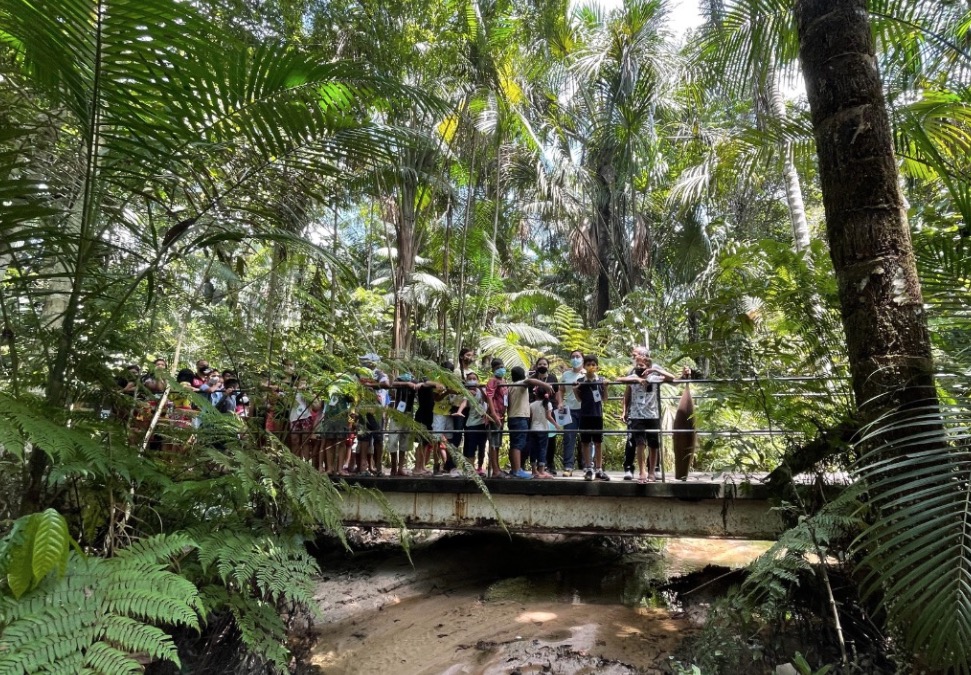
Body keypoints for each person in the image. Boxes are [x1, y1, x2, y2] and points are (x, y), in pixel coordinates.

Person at [620, 347, 676, 482]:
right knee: (637, 442)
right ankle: (640, 471)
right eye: (636, 360)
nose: (638, 363)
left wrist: (654, 370)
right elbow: (624, 385)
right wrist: (624, 409)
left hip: (652, 413)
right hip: (636, 414)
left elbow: (672, 378)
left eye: (638, 357)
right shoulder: (633, 373)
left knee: (653, 443)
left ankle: (653, 470)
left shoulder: (654, 373)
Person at [506, 366, 554, 479]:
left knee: (514, 444)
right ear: (523, 375)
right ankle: (517, 470)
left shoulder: (511, 386)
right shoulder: (522, 384)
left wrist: (537, 373)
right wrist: (545, 385)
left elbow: (530, 379)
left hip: (512, 417)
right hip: (520, 418)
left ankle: (514, 469)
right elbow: (529, 380)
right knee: (518, 445)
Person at [573, 354, 609, 481]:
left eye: (593, 364)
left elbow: (604, 399)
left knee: (598, 442)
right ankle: (588, 468)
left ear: (597, 367)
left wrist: (605, 387)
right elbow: (579, 399)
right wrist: (575, 390)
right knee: (585, 442)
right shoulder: (581, 381)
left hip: (597, 415)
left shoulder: (601, 380)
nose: (591, 367)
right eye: (588, 364)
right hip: (585, 415)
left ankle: (599, 469)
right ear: (584, 366)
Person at [457, 372, 497, 476]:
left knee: (482, 446)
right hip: (472, 424)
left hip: (483, 423)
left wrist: (480, 389)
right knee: (471, 447)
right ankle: (471, 469)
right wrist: (459, 411)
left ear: (478, 380)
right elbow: (464, 403)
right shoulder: (467, 392)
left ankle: (480, 468)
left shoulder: (482, 390)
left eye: (474, 378)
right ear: (467, 381)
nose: (472, 380)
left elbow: (487, 400)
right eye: (470, 379)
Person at [357, 354, 390, 475]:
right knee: (364, 438)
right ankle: (362, 468)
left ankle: (379, 468)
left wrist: (370, 385)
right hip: (363, 409)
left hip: (377, 410)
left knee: (378, 438)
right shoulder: (359, 373)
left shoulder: (379, 373)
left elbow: (386, 384)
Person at [529, 356, 560, 474]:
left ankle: (550, 464)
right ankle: (538, 466)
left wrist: (559, 405)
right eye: (540, 364)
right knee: (536, 441)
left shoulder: (552, 378)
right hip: (536, 409)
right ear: (537, 366)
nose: (542, 366)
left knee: (551, 439)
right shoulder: (533, 379)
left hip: (550, 408)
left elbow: (557, 393)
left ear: (548, 366)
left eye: (544, 364)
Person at [557, 349, 585, 476]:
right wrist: (560, 402)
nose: (575, 359)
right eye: (573, 357)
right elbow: (560, 390)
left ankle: (588, 466)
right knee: (569, 437)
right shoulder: (566, 375)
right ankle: (568, 466)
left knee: (587, 438)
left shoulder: (587, 373)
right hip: (569, 409)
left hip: (585, 409)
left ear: (582, 359)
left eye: (577, 356)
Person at [387, 371, 419, 476]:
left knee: (405, 442)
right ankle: (393, 467)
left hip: (408, 413)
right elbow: (391, 385)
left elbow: (419, 387)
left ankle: (400, 468)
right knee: (393, 440)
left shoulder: (415, 380)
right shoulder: (399, 379)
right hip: (396, 412)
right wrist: (406, 384)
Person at [527, 387, 560, 478]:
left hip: (533, 429)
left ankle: (534, 470)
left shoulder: (532, 404)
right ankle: (541, 470)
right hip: (543, 429)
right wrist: (556, 425)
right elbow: (549, 417)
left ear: (536, 394)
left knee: (533, 449)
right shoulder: (547, 404)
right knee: (542, 449)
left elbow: (530, 417)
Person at [484, 358, 509, 473]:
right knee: (493, 442)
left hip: (502, 415)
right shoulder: (492, 381)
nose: (500, 369)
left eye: (501, 367)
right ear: (493, 369)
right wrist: (493, 414)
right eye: (498, 368)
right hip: (495, 415)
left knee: (498, 442)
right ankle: (495, 469)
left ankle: (497, 468)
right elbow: (489, 396)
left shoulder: (504, 380)